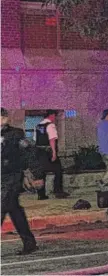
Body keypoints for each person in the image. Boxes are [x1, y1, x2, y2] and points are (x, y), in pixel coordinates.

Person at [1, 107, 38, 255]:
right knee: (14, 211)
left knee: (2, 205)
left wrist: (33, 172)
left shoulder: (16, 134)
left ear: (4, 118)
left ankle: (30, 243)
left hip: (12, 176)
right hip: (1, 176)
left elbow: (29, 152)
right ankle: (29, 243)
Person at [34, 110, 69, 200]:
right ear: (52, 115)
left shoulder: (38, 126)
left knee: (41, 172)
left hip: (39, 151)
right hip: (48, 151)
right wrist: (54, 152)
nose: (55, 118)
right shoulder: (50, 125)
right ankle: (58, 191)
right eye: (55, 116)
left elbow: (35, 139)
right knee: (58, 170)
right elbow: (52, 140)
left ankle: (41, 194)